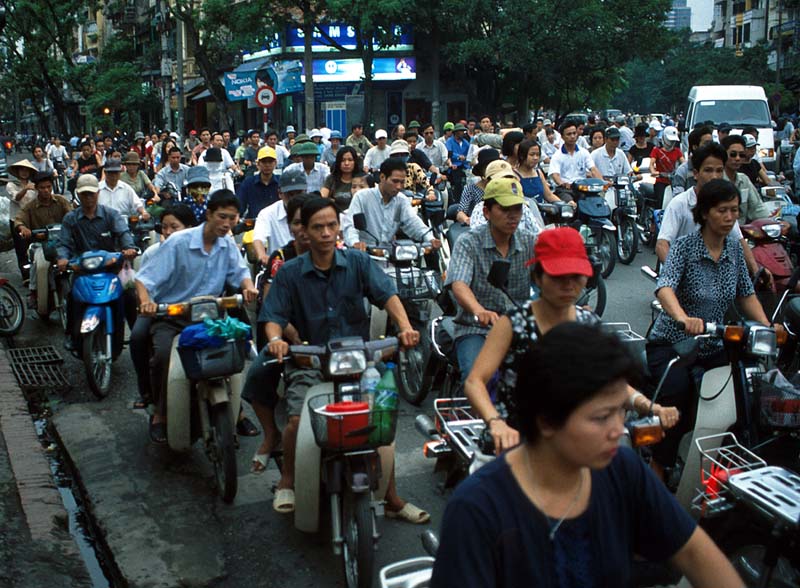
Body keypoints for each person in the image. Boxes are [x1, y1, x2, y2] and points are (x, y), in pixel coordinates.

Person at [432, 321, 743, 588]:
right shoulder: (478, 508)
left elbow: (693, 552)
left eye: (618, 413)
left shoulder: (622, 469)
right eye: (600, 417)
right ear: (547, 420)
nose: (617, 429)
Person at [262, 197, 429, 522]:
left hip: (359, 362)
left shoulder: (358, 262)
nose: (325, 233)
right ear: (305, 233)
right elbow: (273, 315)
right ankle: (288, 480)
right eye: (317, 227)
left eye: (331, 225)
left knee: (381, 422)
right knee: (296, 421)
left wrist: (405, 327)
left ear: (339, 227)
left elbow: (388, 295)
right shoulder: (290, 273)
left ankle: (392, 497)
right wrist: (275, 341)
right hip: (310, 363)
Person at [465, 227, 678, 453]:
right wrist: (496, 423)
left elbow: (611, 382)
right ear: (538, 276)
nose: (568, 285)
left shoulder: (589, 324)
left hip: (578, 437)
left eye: (575, 276)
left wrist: (649, 407)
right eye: (558, 277)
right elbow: (475, 381)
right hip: (520, 439)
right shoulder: (513, 324)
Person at [648, 178, 775, 475]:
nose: (730, 217)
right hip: (672, 344)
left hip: (714, 345)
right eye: (722, 210)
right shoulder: (683, 248)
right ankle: (658, 465)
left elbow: (746, 295)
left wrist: (768, 328)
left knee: (745, 390)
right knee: (677, 398)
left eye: (734, 211)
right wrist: (682, 318)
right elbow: (664, 287)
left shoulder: (733, 250)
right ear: (705, 212)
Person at [135, 190, 258, 443]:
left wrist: (248, 287)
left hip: (210, 315)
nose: (227, 224)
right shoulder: (178, 242)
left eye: (232, 219)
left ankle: (237, 412)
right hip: (172, 315)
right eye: (222, 217)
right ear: (209, 214)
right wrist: (147, 302)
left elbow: (240, 272)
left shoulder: (227, 245)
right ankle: (160, 413)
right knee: (162, 356)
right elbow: (144, 280)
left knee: (234, 354)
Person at [242, 193, 313, 471]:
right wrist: (287, 334)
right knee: (258, 374)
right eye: (299, 223)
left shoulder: (341, 255)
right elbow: (272, 305)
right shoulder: (281, 258)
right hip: (290, 338)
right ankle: (272, 435)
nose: (306, 230)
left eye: (315, 223)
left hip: (333, 342)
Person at [445, 177, 536, 385]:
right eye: (505, 209)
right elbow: (459, 284)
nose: (513, 216)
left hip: (519, 328)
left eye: (517, 209)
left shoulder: (530, 241)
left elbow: (548, 280)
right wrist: (479, 311)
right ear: (487, 212)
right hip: (475, 329)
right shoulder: (468, 242)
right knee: (477, 380)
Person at [56, 174, 137, 350]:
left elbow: (124, 234)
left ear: (98, 193)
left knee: (130, 296)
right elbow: (63, 243)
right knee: (72, 298)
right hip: (83, 272)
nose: (88, 198)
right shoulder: (71, 219)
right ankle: (71, 333)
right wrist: (63, 258)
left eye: (91, 194)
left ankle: (139, 339)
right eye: (84, 194)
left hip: (111, 271)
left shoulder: (111, 215)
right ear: (78, 194)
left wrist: (129, 248)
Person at [655, 142, 760, 277]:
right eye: (708, 170)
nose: (714, 176)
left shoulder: (725, 207)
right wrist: (679, 274)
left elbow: (739, 241)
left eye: (719, 171)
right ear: (696, 174)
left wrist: (757, 271)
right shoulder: (679, 204)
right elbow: (662, 244)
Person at [129, 204, 197, 409]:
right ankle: (147, 391)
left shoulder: (201, 251)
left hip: (194, 309)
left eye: (174, 227)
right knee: (138, 337)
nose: (167, 232)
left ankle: (237, 413)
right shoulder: (152, 253)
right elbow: (142, 284)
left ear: (190, 227)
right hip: (159, 310)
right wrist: (147, 303)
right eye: (164, 227)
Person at [343, 158, 442, 250]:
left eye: (402, 182)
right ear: (382, 177)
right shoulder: (362, 197)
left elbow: (413, 223)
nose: (399, 186)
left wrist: (430, 239)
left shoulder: (401, 200)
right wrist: (355, 243)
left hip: (390, 255)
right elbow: (350, 226)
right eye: (395, 181)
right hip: (365, 255)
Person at [15, 172, 73, 307]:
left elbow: (72, 216)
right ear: (36, 188)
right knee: (39, 265)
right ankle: (34, 292)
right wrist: (23, 228)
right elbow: (19, 219)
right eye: (42, 187)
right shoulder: (30, 206)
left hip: (62, 242)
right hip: (40, 244)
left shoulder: (61, 201)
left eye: (48, 187)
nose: (46, 190)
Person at [252, 167, 308, 262]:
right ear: (280, 193)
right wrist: (263, 257)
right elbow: (258, 239)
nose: (294, 198)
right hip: (279, 267)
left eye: (299, 193)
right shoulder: (267, 214)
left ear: (306, 191)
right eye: (289, 194)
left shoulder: (315, 211)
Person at [549, 120, 604, 201]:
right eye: (569, 134)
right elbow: (555, 175)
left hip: (582, 188)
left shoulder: (584, 152)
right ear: (562, 137)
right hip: (565, 190)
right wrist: (562, 183)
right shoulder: (557, 156)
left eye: (574, 133)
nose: (572, 136)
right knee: (570, 204)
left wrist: (602, 182)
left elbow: (593, 169)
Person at [721, 135, 771, 224]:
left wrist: (772, 222)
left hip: (743, 231)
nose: (737, 158)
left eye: (741, 155)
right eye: (733, 154)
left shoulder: (744, 179)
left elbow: (757, 208)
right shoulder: (716, 180)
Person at [5, 159, 39, 278]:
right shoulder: (11, 185)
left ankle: (36, 273)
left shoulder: (34, 186)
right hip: (17, 221)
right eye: (22, 170)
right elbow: (16, 198)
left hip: (32, 220)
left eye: (27, 170)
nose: (24, 172)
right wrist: (25, 189)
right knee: (21, 248)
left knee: (35, 247)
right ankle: (26, 276)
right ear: (18, 171)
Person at [236, 146, 280, 219]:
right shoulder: (248, 183)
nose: (267, 165)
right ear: (258, 164)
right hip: (254, 224)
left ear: (275, 163)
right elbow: (240, 205)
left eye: (270, 162)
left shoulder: (281, 182)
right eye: (264, 162)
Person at [649, 126, 685, 208]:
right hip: (661, 181)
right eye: (670, 140)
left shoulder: (677, 151)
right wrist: (654, 172)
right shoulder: (656, 150)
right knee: (660, 202)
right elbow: (651, 164)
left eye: (673, 141)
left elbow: (684, 164)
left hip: (674, 182)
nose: (671, 142)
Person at [671, 126, 713, 193]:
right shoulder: (683, 171)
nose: (711, 146)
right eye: (707, 143)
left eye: (712, 143)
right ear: (695, 147)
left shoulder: (717, 168)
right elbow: (678, 197)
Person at [446, 123, 470, 201]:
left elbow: (470, 152)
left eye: (463, 131)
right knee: (457, 182)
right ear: (456, 132)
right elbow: (448, 153)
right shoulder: (450, 141)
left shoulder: (465, 142)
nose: (463, 133)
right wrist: (458, 157)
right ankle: (457, 199)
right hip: (454, 166)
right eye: (461, 131)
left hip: (465, 165)